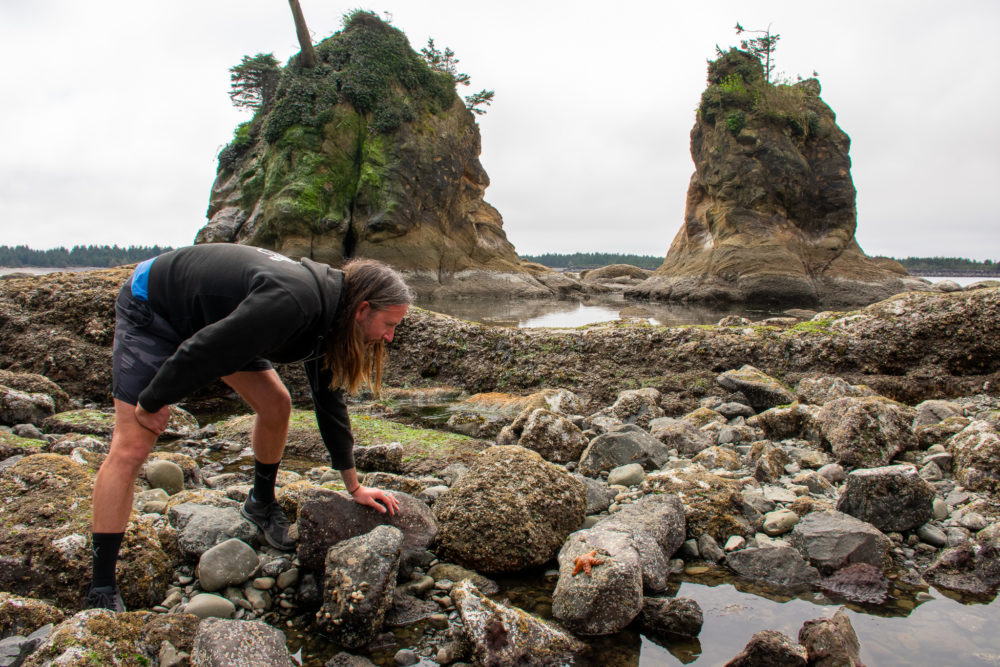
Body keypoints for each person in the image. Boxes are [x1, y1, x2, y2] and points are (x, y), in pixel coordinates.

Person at [85, 243, 410, 611]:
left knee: (276, 404)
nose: (390, 338)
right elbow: (205, 349)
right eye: (389, 325)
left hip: (221, 322)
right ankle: (101, 587)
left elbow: (328, 401)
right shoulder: (295, 302)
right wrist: (150, 402)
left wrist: (353, 486)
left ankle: (260, 503)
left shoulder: (334, 315)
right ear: (362, 309)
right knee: (131, 448)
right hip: (155, 303)